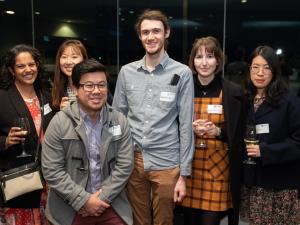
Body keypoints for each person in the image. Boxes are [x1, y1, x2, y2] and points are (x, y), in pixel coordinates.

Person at [112, 9, 194, 225]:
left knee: (164, 221)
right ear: (140, 36)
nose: (151, 37)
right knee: (138, 221)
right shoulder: (126, 72)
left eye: (156, 31)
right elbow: (116, 119)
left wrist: (184, 175)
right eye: (145, 32)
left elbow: (186, 126)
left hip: (167, 161)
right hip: (132, 160)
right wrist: (115, 158)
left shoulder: (182, 73)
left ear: (166, 32)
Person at [42, 58, 134, 225]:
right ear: (75, 89)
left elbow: (125, 165)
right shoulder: (59, 123)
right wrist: (83, 200)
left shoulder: (119, 121)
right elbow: (51, 170)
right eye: (89, 86)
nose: (96, 91)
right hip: (69, 206)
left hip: (109, 203)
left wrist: (100, 199)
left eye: (102, 85)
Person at [180, 37, 245, 225]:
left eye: (210, 56)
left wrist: (218, 131)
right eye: (199, 57)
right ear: (192, 61)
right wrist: (187, 127)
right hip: (188, 171)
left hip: (218, 172)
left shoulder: (233, 92)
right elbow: (170, 126)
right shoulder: (183, 89)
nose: (204, 62)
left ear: (218, 60)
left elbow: (238, 134)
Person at [240, 46, 300, 224]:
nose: (260, 73)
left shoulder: (289, 102)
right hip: (251, 183)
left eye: (266, 68)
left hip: (279, 187)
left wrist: (265, 151)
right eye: (255, 67)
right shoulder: (245, 100)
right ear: (249, 69)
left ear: (274, 71)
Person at [0, 44, 54, 225]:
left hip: (48, 179)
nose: (28, 70)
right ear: (11, 70)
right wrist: (5, 141)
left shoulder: (45, 95)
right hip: (19, 180)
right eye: (21, 66)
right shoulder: (2, 97)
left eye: (31, 64)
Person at [51, 39, 88, 111]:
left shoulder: (95, 85)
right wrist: (61, 113)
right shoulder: (57, 89)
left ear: (83, 60)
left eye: (74, 57)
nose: (68, 62)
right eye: (64, 57)